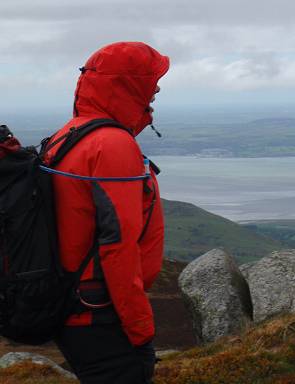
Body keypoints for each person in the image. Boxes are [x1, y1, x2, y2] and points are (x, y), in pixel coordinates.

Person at [43, 42, 170, 383]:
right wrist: (140, 327)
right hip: (99, 312)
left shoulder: (68, 135)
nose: (156, 88)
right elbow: (118, 245)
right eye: (150, 79)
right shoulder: (112, 145)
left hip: (75, 307)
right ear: (126, 85)